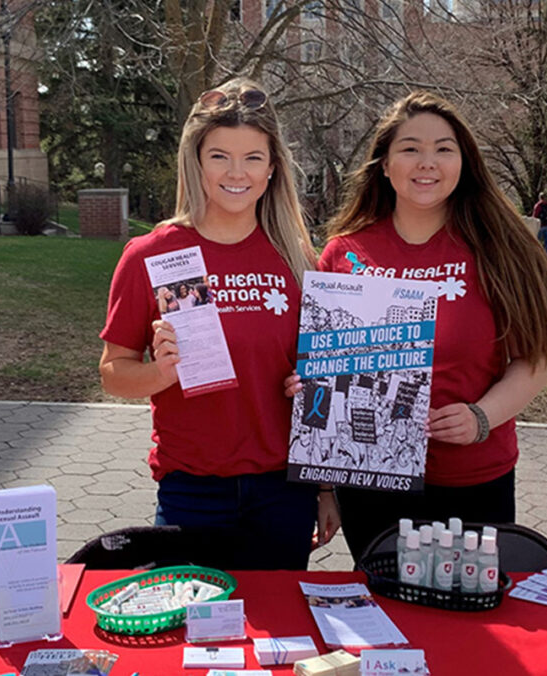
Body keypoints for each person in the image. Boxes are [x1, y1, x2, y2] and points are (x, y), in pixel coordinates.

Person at [288, 91, 547, 563]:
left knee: (469, 616)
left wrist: (482, 417)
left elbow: (535, 359)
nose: (426, 163)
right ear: (385, 165)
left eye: (443, 148)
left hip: (473, 479)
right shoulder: (344, 254)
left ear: (464, 162)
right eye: (410, 148)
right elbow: (324, 379)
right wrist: (324, 481)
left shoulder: (503, 248)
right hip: (371, 480)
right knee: (385, 611)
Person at [99, 78, 340, 569]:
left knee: (280, 637)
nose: (237, 172)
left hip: (282, 489)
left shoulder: (297, 260)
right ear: (197, 162)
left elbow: (324, 385)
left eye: (253, 157)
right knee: (191, 635)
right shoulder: (153, 254)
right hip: (191, 489)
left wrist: (326, 486)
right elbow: (113, 371)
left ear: (273, 168)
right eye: (219, 156)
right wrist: (159, 373)